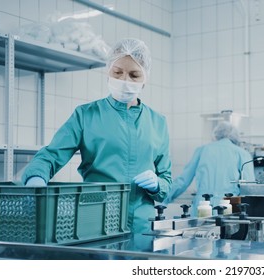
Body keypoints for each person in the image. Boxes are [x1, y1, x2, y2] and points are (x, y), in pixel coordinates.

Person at [21, 38, 172, 234]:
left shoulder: (158, 122)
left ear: (145, 79)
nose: (125, 81)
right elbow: (50, 155)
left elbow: (166, 181)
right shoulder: (86, 115)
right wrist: (36, 178)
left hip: (141, 227)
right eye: (118, 73)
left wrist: (157, 184)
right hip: (95, 221)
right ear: (108, 72)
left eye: (134, 75)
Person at [163, 121, 255, 216]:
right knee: (228, 230)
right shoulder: (242, 154)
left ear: (216, 135)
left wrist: (163, 197)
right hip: (230, 204)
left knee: (201, 231)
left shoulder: (202, 150)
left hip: (203, 204)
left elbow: (183, 180)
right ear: (235, 137)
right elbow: (249, 187)